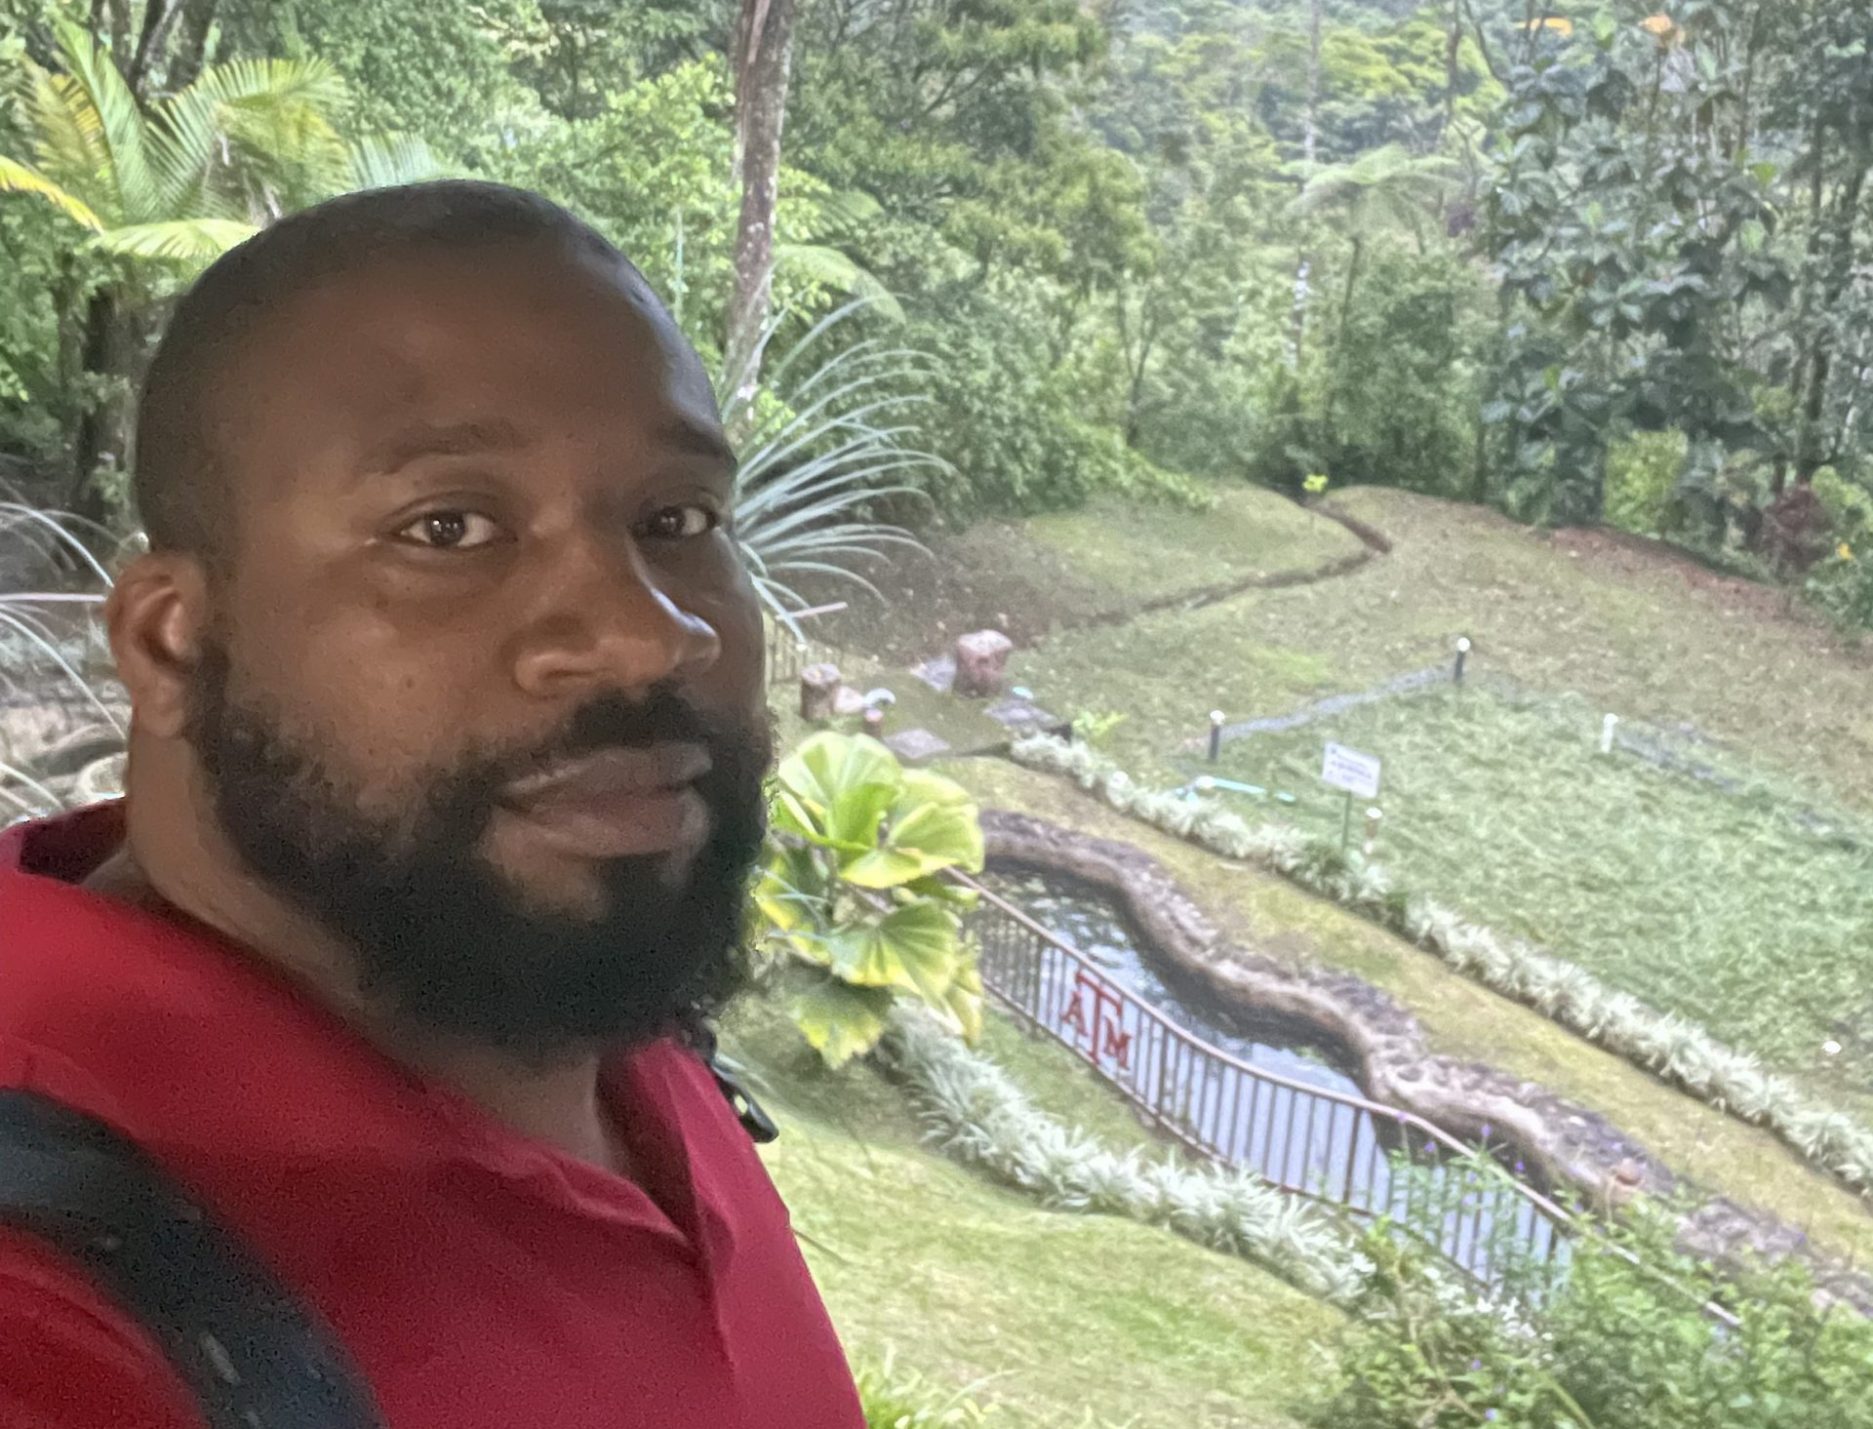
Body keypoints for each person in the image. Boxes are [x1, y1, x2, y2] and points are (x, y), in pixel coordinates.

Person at [0, 181, 866, 1428]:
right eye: (448, 528)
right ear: (171, 642)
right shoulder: (55, 1294)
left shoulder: (528, 963)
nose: (642, 636)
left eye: (675, 519)